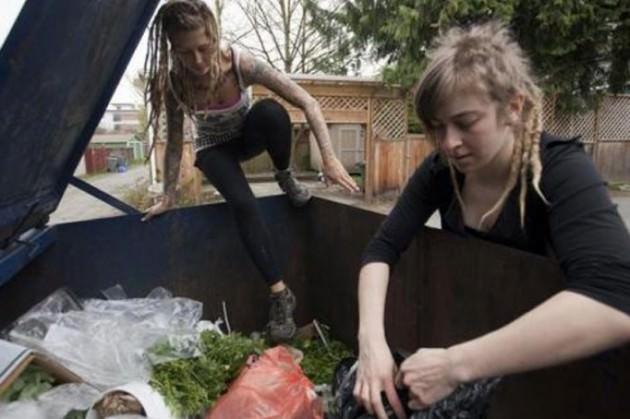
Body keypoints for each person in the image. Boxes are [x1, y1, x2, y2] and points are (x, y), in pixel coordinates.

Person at [354, 21, 630, 419]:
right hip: (472, 363)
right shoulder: (441, 171)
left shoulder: (560, 170)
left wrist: (454, 365)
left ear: (513, 107)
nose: (449, 143)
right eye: (438, 127)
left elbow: (616, 297)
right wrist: (371, 344)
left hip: (551, 381)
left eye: (466, 123)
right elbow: (381, 249)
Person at [140, 0, 359, 342]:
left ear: (214, 35)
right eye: (185, 53)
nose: (198, 61)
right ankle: (280, 295)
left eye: (203, 48)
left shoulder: (241, 64)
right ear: (173, 49)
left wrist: (329, 158)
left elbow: (308, 102)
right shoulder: (175, 84)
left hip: (247, 135)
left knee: (272, 111)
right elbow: (175, 140)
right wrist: (169, 195)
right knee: (243, 204)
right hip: (213, 150)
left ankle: (285, 175)